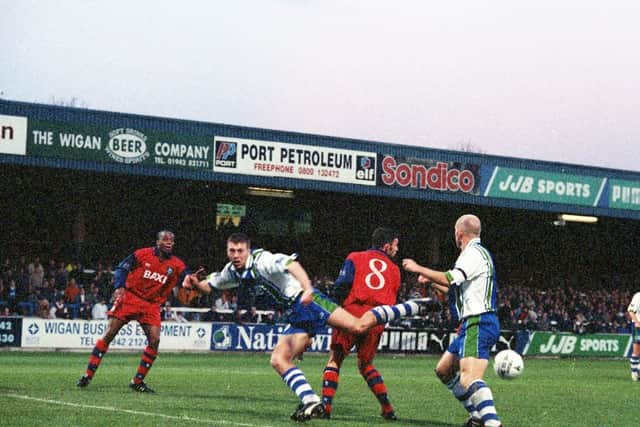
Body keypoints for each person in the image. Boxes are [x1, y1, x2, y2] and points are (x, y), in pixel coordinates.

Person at [184, 232, 425, 422]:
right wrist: (193, 283)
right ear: (227, 251)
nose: (236, 255)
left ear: (248, 250)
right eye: (232, 251)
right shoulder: (232, 271)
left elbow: (291, 263)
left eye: (240, 250)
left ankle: (413, 306)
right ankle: (312, 401)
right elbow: (209, 286)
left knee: (360, 327)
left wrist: (308, 287)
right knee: (279, 359)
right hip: (296, 314)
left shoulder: (262, 260)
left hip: (308, 300)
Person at [402, 214, 502, 427]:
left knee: (468, 378)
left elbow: (450, 277)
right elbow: (453, 288)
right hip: (472, 324)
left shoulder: (473, 253)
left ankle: (492, 423)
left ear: (459, 234)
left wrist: (418, 268)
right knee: (444, 370)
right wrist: (431, 282)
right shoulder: (474, 254)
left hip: (478, 322)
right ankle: (477, 416)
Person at [76, 230, 188, 393]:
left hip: (151, 305)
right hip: (130, 297)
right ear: (157, 242)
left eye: (172, 240)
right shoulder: (142, 254)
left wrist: (193, 279)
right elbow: (122, 268)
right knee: (109, 334)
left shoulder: (176, 264)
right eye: (165, 239)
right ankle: (87, 375)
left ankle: (137, 381)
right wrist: (119, 286)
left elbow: (186, 275)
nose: (169, 242)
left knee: (155, 341)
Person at [321, 227, 401, 420]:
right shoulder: (395, 270)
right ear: (386, 246)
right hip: (376, 318)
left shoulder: (355, 257)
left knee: (335, 359)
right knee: (366, 364)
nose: (397, 250)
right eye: (396, 246)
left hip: (352, 312)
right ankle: (387, 408)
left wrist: (337, 311)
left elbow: (342, 286)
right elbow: (393, 300)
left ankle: (325, 407)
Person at [627, 291, 640, 381]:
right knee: (636, 351)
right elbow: (630, 310)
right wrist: (636, 322)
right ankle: (634, 373)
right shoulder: (638, 296)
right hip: (637, 327)